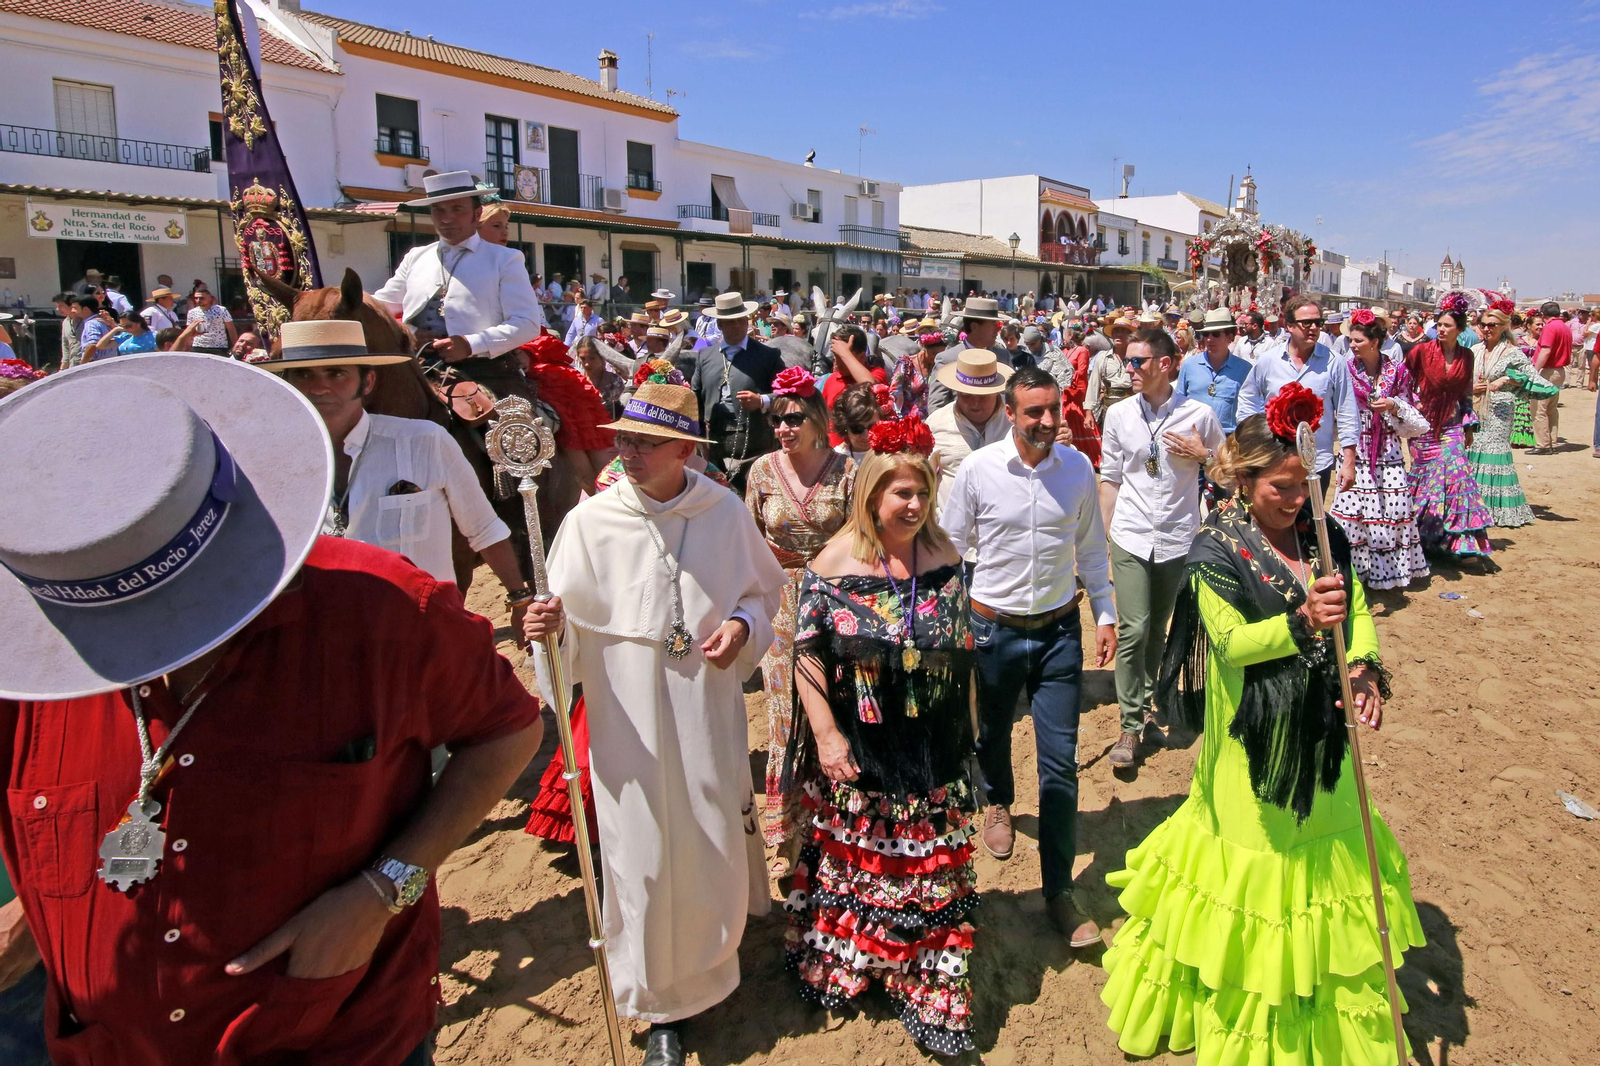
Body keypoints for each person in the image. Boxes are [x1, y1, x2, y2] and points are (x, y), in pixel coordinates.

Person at [0, 353, 544, 1066]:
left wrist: (388, 889)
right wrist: (40, 913)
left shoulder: (381, 603)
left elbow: (505, 730)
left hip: (338, 1038)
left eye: (339, 371)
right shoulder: (21, 679)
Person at [1100, 391, 1423, 1064]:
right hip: (1251, 750)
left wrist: (1361, 668)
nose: (1298, 500)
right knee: (1255, 879)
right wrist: (1302, 621)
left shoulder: (1322, 538)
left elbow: (1355, 606)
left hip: (1321, 740)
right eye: (1282, 488)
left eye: (1305, 487)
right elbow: (1230, 645)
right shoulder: (1214, 549)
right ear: (1242, 483)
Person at [523, 381, 783, 1066]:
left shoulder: (722, 512)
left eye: (641, 441)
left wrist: (740, 623)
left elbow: (764, 595)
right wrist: (546, 633)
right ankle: (660, 1005)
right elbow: (565, 641)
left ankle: (714, 963)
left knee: (708, 831)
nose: (623, 449)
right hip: (625, 721)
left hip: (704, 707)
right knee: (639, 853)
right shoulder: (589, 523)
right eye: (622, 438)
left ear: (681, 449)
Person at [782, 428, 978, 1056]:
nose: (915, 505)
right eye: (902, 494)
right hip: (861, 745)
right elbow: (806, 654)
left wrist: (966, 729)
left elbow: (963, 647)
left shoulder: (944, 555)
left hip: (928, 741)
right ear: (871, 497)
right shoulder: (833, 564)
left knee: (927, 861)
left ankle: (926, 977)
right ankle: (857, 961)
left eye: (923, 492)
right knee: (857, 860)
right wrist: (827, 735)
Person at [940, 366, 1116, 946]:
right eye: (1033, 412)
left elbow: (1090, 545)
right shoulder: (977, 471)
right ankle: (997, 805)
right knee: (990, 736)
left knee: (1060, 764)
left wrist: (1106, 612)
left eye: (1053, 409)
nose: (1046, 421)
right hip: (992, 632)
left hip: (1061, 631)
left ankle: (1059, 892)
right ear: (1009, 414)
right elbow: (950, 548)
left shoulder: (1078, 470)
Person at [260, 319, 531, 598]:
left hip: (417, 625)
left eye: (336, 373)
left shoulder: (425, 441)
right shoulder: (272, 461)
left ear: (368, 382)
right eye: (303, 375)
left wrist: (519, 597)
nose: (319, 387)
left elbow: (483, 527)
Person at [743, 368, 855, 872]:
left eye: (792, 418)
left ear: (817, 419)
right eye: (776, 420)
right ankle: (788, 836)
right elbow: (747, 541)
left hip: (835, 599)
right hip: (781, 603)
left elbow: (860, 542)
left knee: (837, 702)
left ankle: (838, 825)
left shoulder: (849, 471)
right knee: (785, 710)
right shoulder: (762, 471)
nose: (783, 428)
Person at [1098, 330, 1225, 770]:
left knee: (1158, 628)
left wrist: (1203, 453)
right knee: (1133, 628)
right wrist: (1105, 537)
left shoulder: (1199, 415)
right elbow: (1111, 477)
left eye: (1138, 362)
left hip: (1177, 535)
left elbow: (1228, 473)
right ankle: (1130, 725)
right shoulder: (1118, 415)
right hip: (1130, 534)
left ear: (1166, 364)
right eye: (1126, 360)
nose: (1129, 369)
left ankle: (1149, 703)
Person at [374, 171, 544, 406]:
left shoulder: (504, 259)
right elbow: (379, 307)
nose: (446, 219)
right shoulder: (415, 257)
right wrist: (409, 334)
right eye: (439, 211)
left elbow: (527, 323)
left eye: (457, 209)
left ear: (476, 214)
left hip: (485, 371)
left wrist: (471, 344)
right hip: (417, 368)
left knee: (513, 434)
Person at [1326, 310, 1430, 594]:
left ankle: (1390, 572)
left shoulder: (1397, 370)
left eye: (1358, 340)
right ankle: (1355, 572)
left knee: (1392, 510)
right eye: (1351, 340)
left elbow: (1413, 408)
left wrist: (1393, 405)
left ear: (1374, 341)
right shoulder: (1345, 369)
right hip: (1356, 448)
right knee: (1352, 513)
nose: (1352, 345)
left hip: (1388, 449)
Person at [1237, 296, 1358, 493]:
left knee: (1312, 521)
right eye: (1306, 323)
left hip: (1317, 463)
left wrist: (1349, 461)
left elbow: (1347, 411)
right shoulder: (1268, 360)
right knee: (1276, 521)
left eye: (1318, 323)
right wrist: (1253, 440)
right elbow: (1248, 399)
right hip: (1275, 461)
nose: (1313, 328)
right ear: (1290, 326)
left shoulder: (1335, 363)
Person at [1406, 297, 1493, 564]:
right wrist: (1412, 405)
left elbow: (1465, 393)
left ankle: (1460, 542)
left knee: (1458, 477)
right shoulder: (1420, 352)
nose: (1441, 329)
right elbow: (1402, 383)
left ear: (1459, 329)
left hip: (1453, 424)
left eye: (1447, 325)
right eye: (1439, 324)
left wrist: (1469, 426)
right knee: (1428, 483)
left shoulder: (1467, 356)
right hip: (1423, 427)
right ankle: (1420, 539)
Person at [1468, 305, 1559, 527]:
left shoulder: (1512, 352)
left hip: (1500, 410)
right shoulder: (1474, 350)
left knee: (1495, 452)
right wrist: (1473, 389)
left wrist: (1507, 380)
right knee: (1475, 450)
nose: (1487, 329)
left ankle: (1499, 509)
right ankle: (1477, 505)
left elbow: (1534, 380)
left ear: (1503, 326)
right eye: (1484, 325)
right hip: (1477, 408)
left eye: (1492, 325)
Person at [689, 292, 788, 493]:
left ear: (747, 321)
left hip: (754, 440)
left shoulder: (768, 356)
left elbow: (786, 394)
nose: (736, 326)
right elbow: (694, 397)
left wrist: (762, 401)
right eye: (730, 322)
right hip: (714, 442)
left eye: (740, 321)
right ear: (719, 325)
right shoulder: (705, 356)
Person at [928, 348, 1012, 509]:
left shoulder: (1015, 422)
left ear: (996, 392)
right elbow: (923, 481)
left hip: (1005, 530)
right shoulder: (936, 424)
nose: (974, 404)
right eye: (966, 395)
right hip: (950, 531)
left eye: (982, 397)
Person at [1175, 308, 1252, 434]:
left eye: (1215, 334)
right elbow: (1178, 403)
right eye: (1206, 334)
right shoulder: (1189, 365)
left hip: (1228, 439)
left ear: (1230, 337)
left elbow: (1250, 409)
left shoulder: (1245, 370)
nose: (1209, 339)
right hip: (1193, 437)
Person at [927, 297, 1011, 411]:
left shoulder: (1003, 357)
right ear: (974, 326)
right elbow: (936, 406)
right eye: (993, 324)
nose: (998, 329)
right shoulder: (947, 359)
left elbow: (1010, 399)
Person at [1039, 322, 1102, 467]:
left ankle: (1087, 457)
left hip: (1077, 390)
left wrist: (1069, 379)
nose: (1063, 337)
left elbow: (1082, 371)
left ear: (1071, 335)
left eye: (1065, 334)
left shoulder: (1082, 351)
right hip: (1064, 391)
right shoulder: (1065, 351)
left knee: (1077, 419)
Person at [1529, 299, 1571, 453]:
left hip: (1548, 370)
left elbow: (1546, 350)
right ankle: (1551, 439)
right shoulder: (1564, 327)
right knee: (1551, 408)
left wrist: (1534, 370)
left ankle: (1543, 444)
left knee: (1539, 409)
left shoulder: (1550, 327)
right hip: (1559, 371)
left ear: (1543, 314)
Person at [1085, 315, 1137, 428]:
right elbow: (1093, 385)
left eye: (1123, 331)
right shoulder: (1102, 358)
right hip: (1108, 408)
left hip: (1133, 407)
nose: (1118, 334)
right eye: (1116, 331)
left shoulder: (1137, 358)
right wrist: (1088, 412)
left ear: (1129, 335)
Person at [888, 320, 943, 418]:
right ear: (924, 348)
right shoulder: (906, 364)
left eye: (940, 355)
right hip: (908, 420)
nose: (936, 358)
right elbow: (894, 393)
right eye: (934, 353)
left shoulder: (938, 366)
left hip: (932, 418)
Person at [829, 380, 884, 465]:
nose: (866, 435)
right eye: (857, 428)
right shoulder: (837, 459)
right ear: (845, 425)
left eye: (873, 427)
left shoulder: (890, 454)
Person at [574, 333, 626, 418]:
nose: (587, 364)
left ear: (601, 357)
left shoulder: (614, 382)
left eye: (592, 358)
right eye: (583, 358)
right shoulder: (576, 381)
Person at [83, 308, 157, 358]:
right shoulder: (125, 336)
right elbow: (100, 346)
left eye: (128, 326)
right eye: (123, 326)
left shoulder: (153, 336)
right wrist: (115, 329)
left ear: (138, 323)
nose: (126, 328)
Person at [183, 286, 236, 356]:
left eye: (202, 298)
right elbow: (189, 331)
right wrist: (187, 346)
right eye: (196, 298)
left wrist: (235, 345)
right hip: (198, 346)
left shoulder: (221, 310)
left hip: (218, 346)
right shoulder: (192, 312)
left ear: (209, 298)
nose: (198, 300)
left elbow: (231, 328)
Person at [53, 292, 84, 370]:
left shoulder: (86, 320)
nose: (57, 309)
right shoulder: (65, 322)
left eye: (60, 306)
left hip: (88, 365)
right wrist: (62, 369)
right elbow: (66, 347)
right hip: (73, 366)